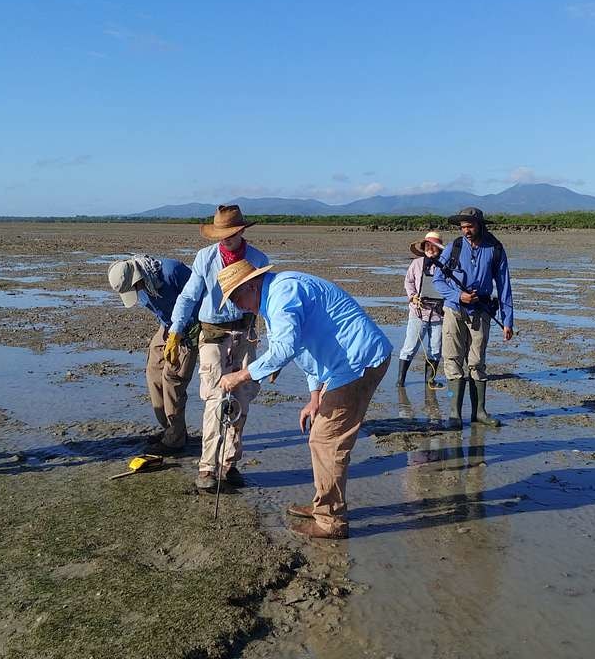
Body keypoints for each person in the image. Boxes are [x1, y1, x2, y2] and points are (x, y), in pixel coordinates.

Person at [217, 260, 392, 539]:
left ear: (250, 285)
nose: (238, 306)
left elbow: (284, 349)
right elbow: (305, 350)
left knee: (326, 440)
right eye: (232, 302)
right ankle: (323, 505)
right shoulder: (274, 297)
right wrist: (314, 398)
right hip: (344, 364)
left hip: (359, 361)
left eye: (237, 298)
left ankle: (331, 521)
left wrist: (240, 376)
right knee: (322, 436)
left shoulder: (282, 294)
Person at [165, 205, 268, 490]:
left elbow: (266, 303)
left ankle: (229, 463)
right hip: (212, 334)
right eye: (222, 234)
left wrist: (275, 352)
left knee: (241, 398)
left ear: (242, 230)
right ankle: (207, 467)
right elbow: (189, 296)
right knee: (215, 397)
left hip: (245, 333)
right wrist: (175, 331)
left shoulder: (258, 259)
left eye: (231, 233)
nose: (226, 238)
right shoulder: (205, 258)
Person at [432, 207, 514, 427]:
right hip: (453, 310)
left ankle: (479, 412)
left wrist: (507, 321)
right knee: (452, 360)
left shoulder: (495, 249)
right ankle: (454, 414)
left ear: (480, 225)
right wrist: (458, 296)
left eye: (470, 226)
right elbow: (438, 280)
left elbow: (504, 286)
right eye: (463, 227)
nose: (466, 231)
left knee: (477, 362)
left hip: (482, 311)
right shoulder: (454, 247)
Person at [108, 255, 197, 455]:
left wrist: (184, 335)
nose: (136, 292)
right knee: (154, 372)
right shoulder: (140, 286)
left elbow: (199, 299)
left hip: (190, 329)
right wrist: (168, 333)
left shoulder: (172, 272)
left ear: (137, 277)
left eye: (134, 288)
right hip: (167, 326)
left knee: (172, 379)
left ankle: (175, 440)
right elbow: (160, 312)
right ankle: (171, 429)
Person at [397, 230, 446, 390]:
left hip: (439, 314)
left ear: (439, 248)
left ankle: (430, 380)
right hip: (418, 312)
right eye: (427, 246)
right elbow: (408, 282)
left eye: (434, 246)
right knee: (410, 347)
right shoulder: (416, 264)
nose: (430, 249)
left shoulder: (446, 265)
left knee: (436, 349)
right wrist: (412, 297)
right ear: (423, 247)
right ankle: (400, 381)